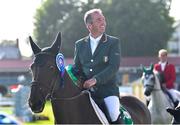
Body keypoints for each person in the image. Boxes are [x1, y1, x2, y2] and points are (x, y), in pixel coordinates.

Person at [74, 9, 122, 123]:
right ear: (89, 25)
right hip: (86, 92)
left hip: (108, 91)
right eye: (99, 20)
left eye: (104, 19)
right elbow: (77, 68)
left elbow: (113, 67)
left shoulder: (113, 42)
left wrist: (95, 80)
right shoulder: (79, 44)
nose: (103, 22)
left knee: (114, 113)